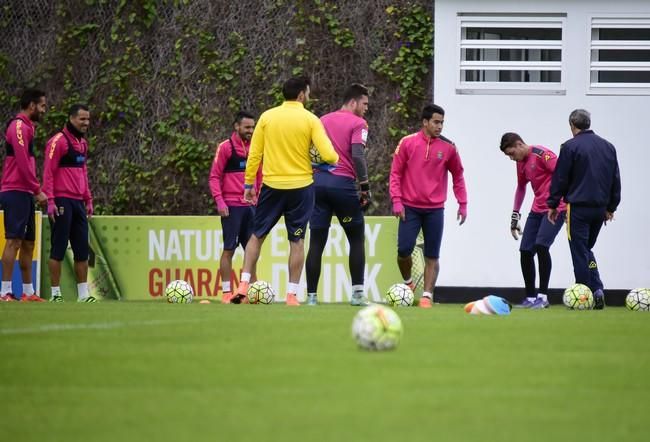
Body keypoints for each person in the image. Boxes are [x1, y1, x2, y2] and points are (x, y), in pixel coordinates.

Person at [231, 76, 338, 306]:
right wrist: (328, 160)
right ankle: (291, 295)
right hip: (301, 188)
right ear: (301, 94)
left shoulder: (267, 117)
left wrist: (249, 184)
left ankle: (243, 285)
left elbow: (255, 154)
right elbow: (329, 155)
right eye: (307, 92)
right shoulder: (311, 120)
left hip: (272, 186)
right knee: (297, 241)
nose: (308, 96)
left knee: (256, 236)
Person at [389, 104, 467, 309]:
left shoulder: (449, 147)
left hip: (435, 210)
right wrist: (396, 200)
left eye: (442, 122)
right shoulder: (407, 143)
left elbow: (458, 175)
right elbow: (395, 173)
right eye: (436, 122)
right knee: (403, 250)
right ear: (425, 122)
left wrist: (463, 203)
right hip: (409, 207)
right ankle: (408, 283)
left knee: (432, 254)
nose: (440, 126)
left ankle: (426, 296)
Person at [305, 83, 371, 306]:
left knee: (316, 241)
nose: (366, 108)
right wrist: (364, 186)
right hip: (342, 185)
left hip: (318, 184)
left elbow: (311, 152)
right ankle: (357, 294)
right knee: (356, 238)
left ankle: (312, 297)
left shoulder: (322, 120)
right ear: (353, 102)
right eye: (364, 104)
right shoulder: (359, 123)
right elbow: (358, 155)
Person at [547, 109, 621, 310]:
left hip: (578, 208)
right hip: (600, 209)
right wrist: (611, 206)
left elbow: (561, 177)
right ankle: (597, 289)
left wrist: (553, 204)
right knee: (587, 250)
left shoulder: (570, 147)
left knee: (579, 252)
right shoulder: (608, 147)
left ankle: (584, 295)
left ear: (572, 125)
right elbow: (615, 179)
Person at [500, 132, 566, 309]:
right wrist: (515, 215)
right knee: (525, 250)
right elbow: (521, 187)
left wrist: (567, 205)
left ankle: (543, 297)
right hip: (537, 209)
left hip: (556, 208)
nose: (511, 158)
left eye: (511, 153)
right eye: (508, 156)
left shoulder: (543, 155)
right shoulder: (521, 163)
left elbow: (563, 176)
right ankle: (530, 298)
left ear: (520, 144)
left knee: (542, 246)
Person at [43, 104, 95, 302]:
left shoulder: (82, 143)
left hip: (78, 203)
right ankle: (56, 294)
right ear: (72, 118)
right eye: (82, 119)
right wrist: (50, 200)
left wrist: (88, 198)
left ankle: (83, 295)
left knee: (82, 249)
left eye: (88, 119)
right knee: (58, 248)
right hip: (62, 201)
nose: (86, 123)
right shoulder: (58, 142)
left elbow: (83, 172)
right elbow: (48, 172)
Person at [0, 88, 48, 302]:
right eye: (42, 106)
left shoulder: (29, 127)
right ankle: (5, 292)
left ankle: (28, 292)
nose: (44, 110)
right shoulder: (18, 126)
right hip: (15, 190)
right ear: (32, 105)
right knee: (13, 241)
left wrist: (33, 189)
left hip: (25, 191)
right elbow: (21, 161)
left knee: (28, 242)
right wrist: (37, 190)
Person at [208, 111, 260, 304]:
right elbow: (214, 177)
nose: (251, 131)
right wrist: (220, 202)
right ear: (236, 127)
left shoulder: (256, 147)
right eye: (247, 127)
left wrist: (259, 200)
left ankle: (252, 293)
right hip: (231, 206)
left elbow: (260, 176)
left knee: (251, 252)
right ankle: (226, 293)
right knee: (229, 249)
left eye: (253, 127)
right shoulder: (225, 148)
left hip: (251, 207)